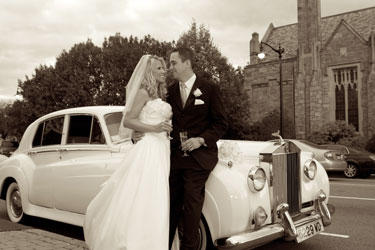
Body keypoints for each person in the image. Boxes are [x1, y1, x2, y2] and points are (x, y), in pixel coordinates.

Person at [83, 55, 175, 250]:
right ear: (150, 71)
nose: (163, 71)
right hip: (149, 148)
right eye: (159, 68)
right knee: (148, 194)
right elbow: (128, 121)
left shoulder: (160, 94)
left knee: (158, 198)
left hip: (162, 148)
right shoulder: (143, 92)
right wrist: (155, 128)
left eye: (164, 68)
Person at [168, 47, 228, 250]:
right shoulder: (169, 91)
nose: (170, 67)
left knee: (192, 208)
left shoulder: (209, 89)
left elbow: (221, 124)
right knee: (171, 205)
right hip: (175, 157)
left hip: (199, 158)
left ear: (187, 63)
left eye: (173, 62)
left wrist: (201, 140)